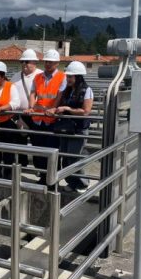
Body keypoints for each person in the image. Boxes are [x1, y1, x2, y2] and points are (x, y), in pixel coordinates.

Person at [46, 61, 93, 193]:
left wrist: (67, 108)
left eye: (71, 77)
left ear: (78, 77)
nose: (68, 79)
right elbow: (59, 104)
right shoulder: (67, 90)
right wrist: (55, 110)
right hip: (66, 128)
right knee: (66, 158)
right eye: (67, 77)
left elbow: (86, 111)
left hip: (78, 129)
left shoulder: (87, 90)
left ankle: (83, 183)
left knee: (74, 157)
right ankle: (72, 183)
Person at [24, 49, 66, 185]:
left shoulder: (62, 77)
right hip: (38, 119)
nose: (48, 64)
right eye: (47, 61)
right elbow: (33, 93)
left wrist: (53, 108)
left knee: (52, 151)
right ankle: (43, 177)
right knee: (38, 150)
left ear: (57, 63)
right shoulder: (38, 77)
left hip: (52, 121)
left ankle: (52, 180)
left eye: (51, 62)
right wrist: (31, 107)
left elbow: (59, 96)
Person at [11, 49, 43, 166]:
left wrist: (34, 109)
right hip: (20, 115)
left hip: (36, 115)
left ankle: (39, 167)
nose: (24, 64)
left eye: (27, 61)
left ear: (35, 62)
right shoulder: (15, 77)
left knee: (37, 143)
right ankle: (21, 165)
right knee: (19, 143)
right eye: (22, 62)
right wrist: (16, 118)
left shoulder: (41, 75)